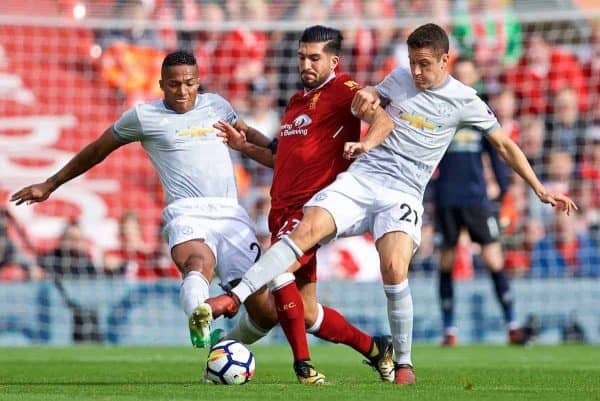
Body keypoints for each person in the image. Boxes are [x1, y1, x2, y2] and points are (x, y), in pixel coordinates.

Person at [201, 23, 577, 385]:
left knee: (394, 267)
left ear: (445, 60)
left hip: (403, 193)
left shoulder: (465, 100)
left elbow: (505, 146)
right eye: (412, 62)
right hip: (364, 178)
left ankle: (403, 362)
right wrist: (369, 97)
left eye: (425, 64)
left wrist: (539, 188)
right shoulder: (398, 78)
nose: (416, 71)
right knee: (306, 230)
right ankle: (234, 298)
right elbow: (373, 101)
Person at [10, 50, 279, 349]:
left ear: (198, 82)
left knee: (265, 312)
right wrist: (51, 183)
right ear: (161, 84)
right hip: (187, 210)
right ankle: (199, 317)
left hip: (231, 213)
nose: (182, 91)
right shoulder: (144, 116)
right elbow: (98, 150)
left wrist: (275, 148)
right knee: (197, 262)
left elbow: (246, 132)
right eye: (174, 84)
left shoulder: (217, 105)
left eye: (189, 83)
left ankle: (222, 347)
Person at [215, 25, 396, 385]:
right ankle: (376, 349)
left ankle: (303, 366)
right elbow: (281, 158)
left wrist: (365, 146)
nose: (306, 64)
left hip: (311, 210)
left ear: (333, 60)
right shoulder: (297, 101)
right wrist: (244, 147)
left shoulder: (344, 90)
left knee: (278, 269)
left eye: (315, 58)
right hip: (280, 209)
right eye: (301, 57)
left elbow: (383, 120)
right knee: (308, 311)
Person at [434, 58, 525, 347]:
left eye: (467, 75)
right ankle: (449, 330)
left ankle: (512, 324)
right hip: (447, 196)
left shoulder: (479, 111)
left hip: (476, 198)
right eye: (458, 75)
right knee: (446, 263)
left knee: (493, 259)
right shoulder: (439, 111)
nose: (463, 79)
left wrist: (503, 186)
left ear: (475, 78)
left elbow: (495, 149)